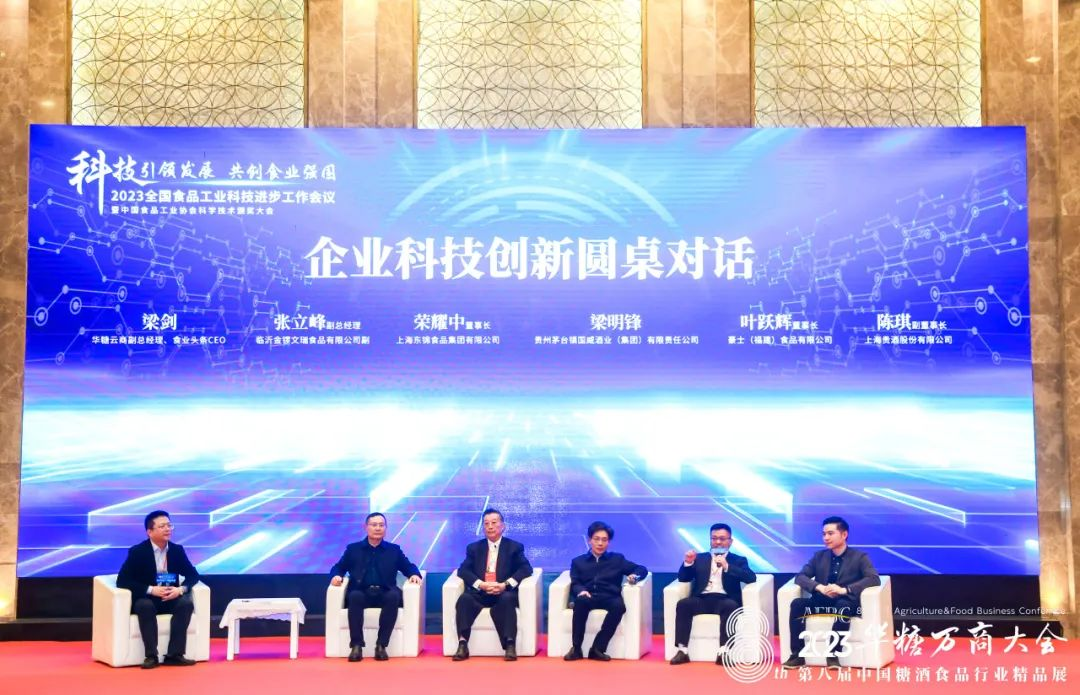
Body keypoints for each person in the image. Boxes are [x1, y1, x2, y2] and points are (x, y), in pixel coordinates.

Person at [782, 516, 880, 669]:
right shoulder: (819, 556)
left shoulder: (859, 557)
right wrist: (819, 587)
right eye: (824, 534)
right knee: (797, 604)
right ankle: (797, 655)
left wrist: (844, 590)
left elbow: (873, 578)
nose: (826, 538)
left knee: (843, 606)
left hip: (845, 602)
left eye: (830, 533)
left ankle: (833, 656)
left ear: (844, 534)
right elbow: (800, 577)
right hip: (822, 601)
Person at [329, 512, 422, 662]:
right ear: (366, 527)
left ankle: (381, 645)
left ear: (385, 528)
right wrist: (336, 576)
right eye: (374, 525)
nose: (378, 528)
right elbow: (338, 567)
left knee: (393, 596)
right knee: (354, 597)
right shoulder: (353, 549)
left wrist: (414, 574)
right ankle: (356, 646)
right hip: (361, 591)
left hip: (385, 591)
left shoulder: (393, 550)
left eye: (381, 525)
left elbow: (408, 566)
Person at [115, 510, 201, 669]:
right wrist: (150, 589)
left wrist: (180, 590)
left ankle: (175, 655)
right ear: (149, 532)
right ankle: (151, 656)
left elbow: (193, 575)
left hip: (170, 597)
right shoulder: (138, 552)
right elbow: (123, 581)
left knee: (186, 604)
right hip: (148, 598)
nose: (167, 529)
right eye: (162, 526)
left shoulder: (176, 550)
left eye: (169, 525)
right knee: (144, 606)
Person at [451, 508, 534, 662]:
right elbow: (463, 570)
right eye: (486, 523)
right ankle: (462, 644)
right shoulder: (474, 548)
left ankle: (510, 644)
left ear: (503, 526)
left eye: (494, 523)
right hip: (481, 592)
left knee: (507, 599)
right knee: (464, 600)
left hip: (503, 592)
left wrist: (505, 585)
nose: (490, 527)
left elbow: (526, 569)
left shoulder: (514, 547)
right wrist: (480, 584)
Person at [669, 523, 757, 665]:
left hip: (725, 599)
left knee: (730, 606)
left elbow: (750, 577)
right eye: (714, 538)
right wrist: (688, 563)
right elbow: (683, 578)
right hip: (702, 599)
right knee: (683, 604)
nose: (718, 542)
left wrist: (727, 566)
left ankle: (724, 652)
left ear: (730, 541)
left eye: (722, 539)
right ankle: (682, 650)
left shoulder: (738, 560)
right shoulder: (699, 558)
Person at [564, 521, 648, 662]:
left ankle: (598, 648)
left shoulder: (617, 559)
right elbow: (575, 582)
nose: (600, 543)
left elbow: (641, 569)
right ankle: (576, 648)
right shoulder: (578, 561)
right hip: (588, 595)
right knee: (580, 602)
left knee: (619, 606)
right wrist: (581, 591)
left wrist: (635, 576)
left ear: (608, 542)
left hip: (610, 596)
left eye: (604, 540)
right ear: (590, 540)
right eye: (596, 539)